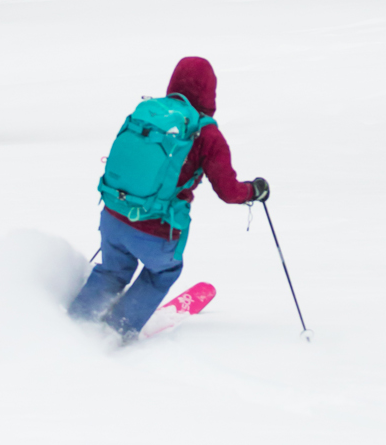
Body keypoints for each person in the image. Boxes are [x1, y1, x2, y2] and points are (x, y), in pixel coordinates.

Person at [68, 55, 268, 338]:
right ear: (210, 91)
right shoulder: (206, 134)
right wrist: (254, 191)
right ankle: (115, 332)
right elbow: (228, 191)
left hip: (113, 214)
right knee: (164, 271)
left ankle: (73, 324)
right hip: (155, 228)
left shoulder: (149, 113)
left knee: (113, 271)